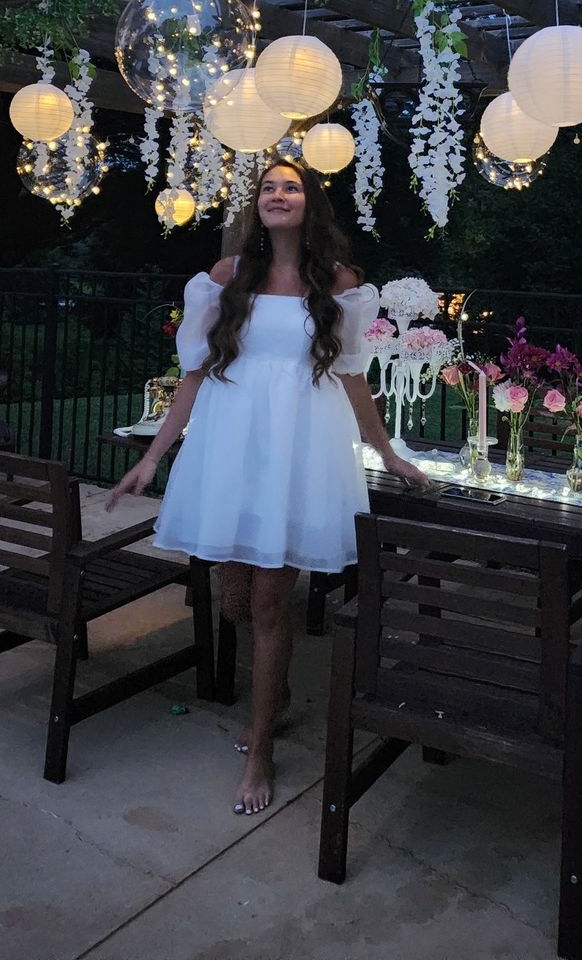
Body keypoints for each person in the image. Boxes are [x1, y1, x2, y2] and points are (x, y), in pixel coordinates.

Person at [106, 158, 428, 815]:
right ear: (257, 204)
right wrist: (152, 459)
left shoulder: (337, 284)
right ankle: (272, 697)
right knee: (235, 598)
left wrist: (387, 451)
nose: (279, 195)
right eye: (269, 187)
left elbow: (352, 377)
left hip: (298, 453)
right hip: (232, 448)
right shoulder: (227, 277)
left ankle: (261, 749)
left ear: (311, 203)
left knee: (271, 601)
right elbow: (193, 374)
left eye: (292, 187)